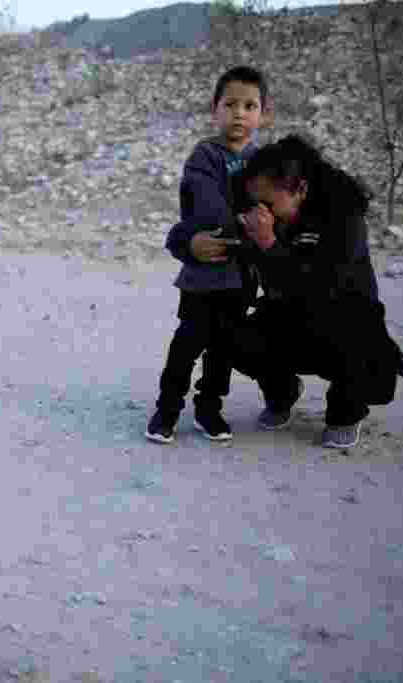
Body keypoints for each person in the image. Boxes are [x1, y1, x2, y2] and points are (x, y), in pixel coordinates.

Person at [231, 134, 403, 448]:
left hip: (344, 319)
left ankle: (346, 413)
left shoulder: (342, 216)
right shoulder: (261, 219)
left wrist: (270, 245)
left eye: (269, 204)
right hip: (289, 317)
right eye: (255, 203)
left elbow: (323, 286)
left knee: (356, 347)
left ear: (300, 189)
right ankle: (282, 393)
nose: (262, 213)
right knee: (232, 334)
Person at [145, 66, 268, 444]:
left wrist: (257, 225)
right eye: (230, 104)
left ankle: (209, 409)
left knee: (223, 349)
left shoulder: (264, 161)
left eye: (250, 105)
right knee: (188, 342)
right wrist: (244, 223)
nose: (239, 113)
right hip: (203, 276)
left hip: (240, 280)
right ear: (214, 110)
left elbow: (270, 210)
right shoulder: (204, 157)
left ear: (263, 114)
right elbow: (208, 209)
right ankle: (167, 410)